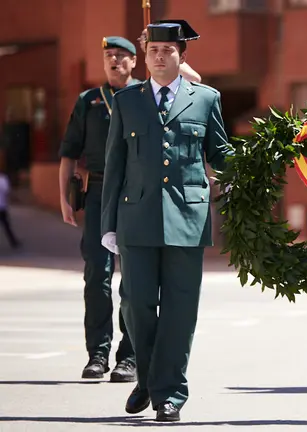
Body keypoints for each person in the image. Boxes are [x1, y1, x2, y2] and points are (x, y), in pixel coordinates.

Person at [100, 20, 231, 422]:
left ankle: (169, 393)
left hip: (187, 219)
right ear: (145, 55)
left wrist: (261, 161)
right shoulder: (127, 101)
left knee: (180, 310)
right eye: (153, 50)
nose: (159, 57)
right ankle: (149, 377)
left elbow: (222, 155)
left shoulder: (206, 99)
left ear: (181, 55)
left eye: (168, 51)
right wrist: (108, 224)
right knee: (136, 305)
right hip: (136, 217)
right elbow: (114, 165)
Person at [59, 36, 140, 382]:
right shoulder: (88, 101)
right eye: (109, 56)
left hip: (135, 195)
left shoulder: (146, 95)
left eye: (121, 56)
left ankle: (129, 357)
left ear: (134, 60)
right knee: (96, 274)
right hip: (96, 194)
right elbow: (69, 152)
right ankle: (98, 354)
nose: (114, 61)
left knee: (135, 278)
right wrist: (64, 198)